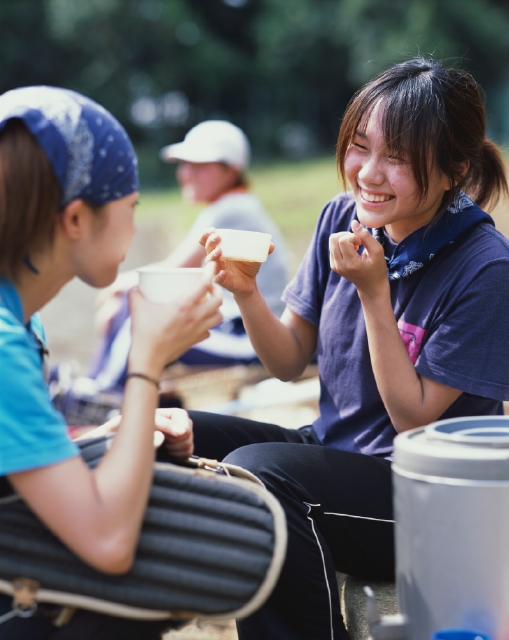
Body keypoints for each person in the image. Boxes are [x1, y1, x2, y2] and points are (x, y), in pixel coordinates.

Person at [187, 57, 509, 639]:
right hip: (336, 452)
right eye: (360, 146)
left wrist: (374, 295)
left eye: (400, 158)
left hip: (422, 496)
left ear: (453, 170)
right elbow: (287, 361)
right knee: (176, 432)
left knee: (260, 477)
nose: (368, 173)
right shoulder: (340, 217)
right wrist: (248, 294)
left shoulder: (485, 267)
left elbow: (412, 421)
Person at [0, 86, 222, 639]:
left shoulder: (21, 322)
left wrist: (114, 434)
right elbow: (108, 543)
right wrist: (147, 363)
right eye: (131, 208)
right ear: (76, 218)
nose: (134, 227)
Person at [88, 120, 288, 394]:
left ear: (229, 172)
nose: (185, 174)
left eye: (199, 167)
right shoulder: (234, 205)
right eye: (184, 165)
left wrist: (113, 288)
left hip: (250, 338)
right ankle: (100, 388)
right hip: (235, 328)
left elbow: (174, 268)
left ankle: (101, 392)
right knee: (131, 302)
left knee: (137, 316)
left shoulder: (230, 210)